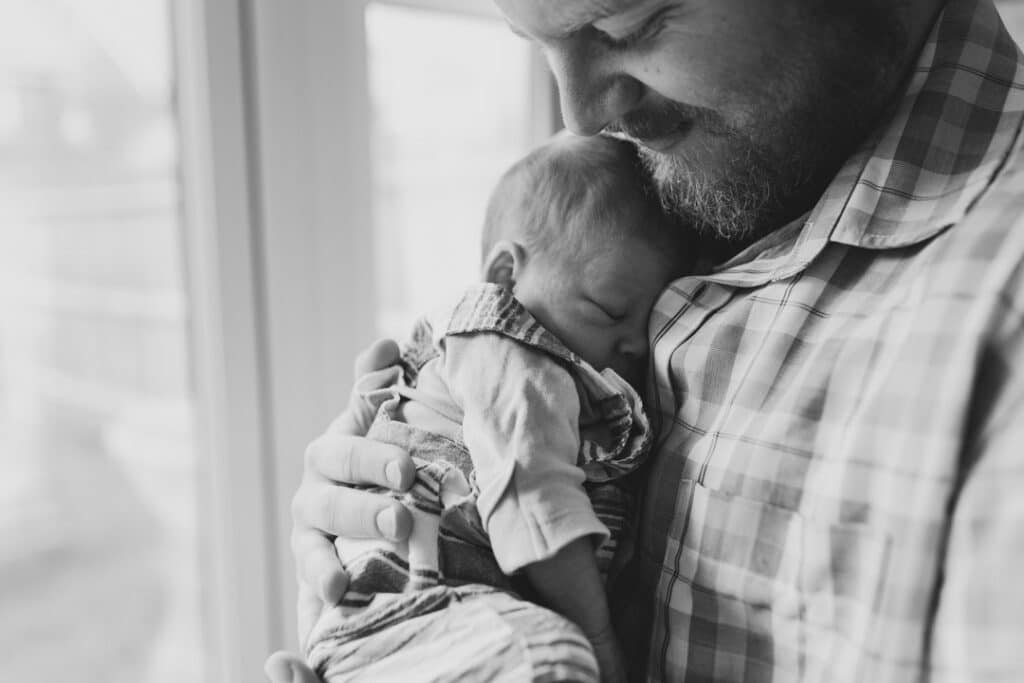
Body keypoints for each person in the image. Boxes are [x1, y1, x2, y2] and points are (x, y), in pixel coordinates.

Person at [269, 0, 1024, 680]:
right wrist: (377, 518)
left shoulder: (995, 311)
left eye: (629, 24)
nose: (579, 114)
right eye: (535, 40)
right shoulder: (642, 199)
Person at [303, 133, 689, 682]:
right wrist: (599, 637)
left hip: (425, 613)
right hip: (415, 593)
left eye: (647, 326)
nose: (633, 346)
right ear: (507, 275)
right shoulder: (511, 354)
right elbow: (532, 496)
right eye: (609, 309)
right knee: (554, 661)